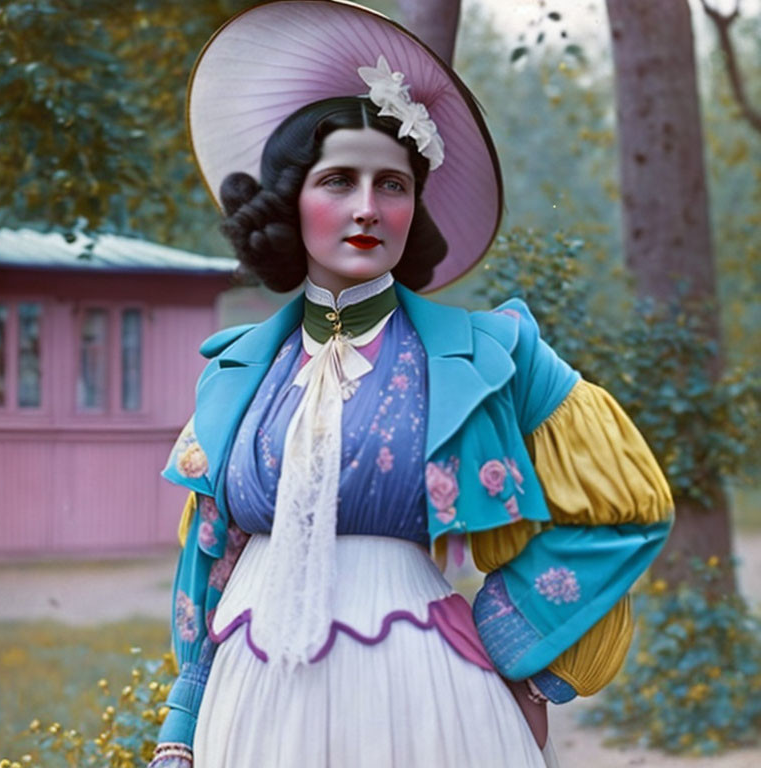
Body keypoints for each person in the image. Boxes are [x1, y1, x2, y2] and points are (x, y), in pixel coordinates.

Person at [149, 2, 674, 767]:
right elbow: (206, 556)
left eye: (391, 184)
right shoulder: (237, 369)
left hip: (425, 694)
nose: (367, 208)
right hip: (251, 701)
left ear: (414, 206)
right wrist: (180, 724)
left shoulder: (495, 351)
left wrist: (516, 646)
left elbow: (625, 505)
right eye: (339, 180)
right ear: (292, 201)